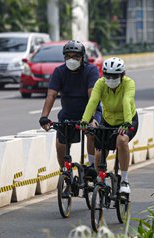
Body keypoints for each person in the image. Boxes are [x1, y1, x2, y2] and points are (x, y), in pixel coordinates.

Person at [39, 40, 101, 171]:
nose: (71, 59)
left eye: (75, 56)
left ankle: (91, 166)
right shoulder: (59, 72)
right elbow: (51, 95)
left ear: (82, 57)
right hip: (68, 113)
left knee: (91, 133)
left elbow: (93, 98)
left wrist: (90, 118)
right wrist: (44, 117)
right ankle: (65, 172)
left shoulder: (91, 71)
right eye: (68, 56)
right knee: (60, 144)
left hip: (90, 113)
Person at [79, 57, 139, 194]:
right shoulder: (100, 83)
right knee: (99, 152)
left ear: (122, 75)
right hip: (108, 121)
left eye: (115, 76)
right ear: (103, 74)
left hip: (128, 120)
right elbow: (93, 101)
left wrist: (126, 122)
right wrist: (84, 120)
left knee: (122, 140)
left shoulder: (129, 83)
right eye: (108, 75)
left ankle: (124, 180)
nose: (111, 79)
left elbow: (126, 101)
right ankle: (101, 180)